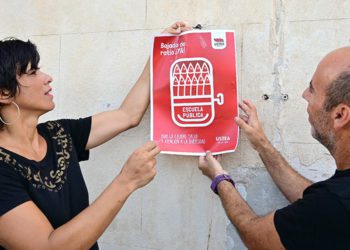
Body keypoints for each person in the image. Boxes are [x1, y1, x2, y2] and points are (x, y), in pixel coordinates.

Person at [0, 22, 192, 249]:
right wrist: (126, 181)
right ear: (4, 93)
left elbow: (128, 115)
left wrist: (160, 52)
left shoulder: (59, 133)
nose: (47, 77)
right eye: (33, 72)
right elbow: (49, 246)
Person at [198, 47, 350, 250]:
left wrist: (220, 180)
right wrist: (262, 145)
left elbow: (258, 237)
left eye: (312, 89)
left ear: (340, 115)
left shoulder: (333, 204)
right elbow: (316, 203)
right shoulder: (335, 201)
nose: (304, 95)